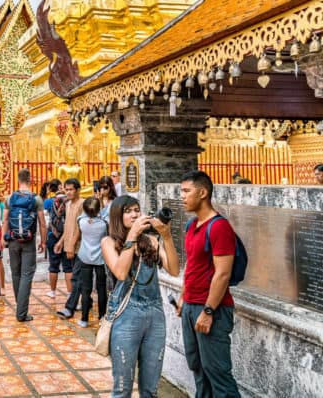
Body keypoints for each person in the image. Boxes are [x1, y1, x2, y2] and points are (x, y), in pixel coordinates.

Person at [101, 194, 179, 398]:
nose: (135, 214)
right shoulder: (109, 242)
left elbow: (173, 270)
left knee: (150, 389)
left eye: (137, 210)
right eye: (128, 211)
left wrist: (167, 236)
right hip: (126, 315)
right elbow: (120, 272)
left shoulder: (151, 241)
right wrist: (132, 237)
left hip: (154, 314)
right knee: (122, 389)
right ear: (118, 216)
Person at [176, 170, 240, 397]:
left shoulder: (219, 226)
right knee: (198, 367)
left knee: (218, 372)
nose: (182, 196)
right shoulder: (192, 226)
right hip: (191, 306)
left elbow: (223, 274)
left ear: (202, 192)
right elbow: (192, 265)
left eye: (186, 191)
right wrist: (183, 295)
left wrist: (209, 310)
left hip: (212, 308)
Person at [2, 168, 46, 322]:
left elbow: (5, 220)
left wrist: (3, 238)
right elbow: (42, 223)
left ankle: (19, 305)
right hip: (29, 240)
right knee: (27, 275)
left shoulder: (10, 198)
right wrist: (44, 241)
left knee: (15, 273)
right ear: (30, 179)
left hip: (13, 239)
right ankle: (21, 312)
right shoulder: (36, 199)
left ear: (18, 179)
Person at [76, 197, 109, 328]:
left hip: (85, 257)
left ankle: (84, 319)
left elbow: (83, 214)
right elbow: (104, 215)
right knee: (101, 288)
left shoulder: (81, 221)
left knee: (86, 289)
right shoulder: (103, 224)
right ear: (98, 209)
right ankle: (102, 316)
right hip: (100, 258)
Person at [55, 178, 85, 319]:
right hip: (68, 245)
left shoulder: (82, 204)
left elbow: (80, 227)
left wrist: (72, 245)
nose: (68, 192)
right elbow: (68, 225)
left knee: (76, 278)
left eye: (71, 189)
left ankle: (69, 308)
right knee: (79, 277)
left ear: (78, 190)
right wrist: (61, 241)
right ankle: (88, 301)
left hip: (79, 247)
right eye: (66, 189)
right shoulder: (67, 204)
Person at [42, 179, 70, 299]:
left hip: (53, 235)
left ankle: (52, 291)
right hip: (67, 235)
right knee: (68, 266)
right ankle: (70, 293)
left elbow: (44, 216)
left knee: (53, 265)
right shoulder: (70, 201)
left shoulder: (48, 202)